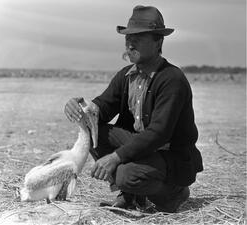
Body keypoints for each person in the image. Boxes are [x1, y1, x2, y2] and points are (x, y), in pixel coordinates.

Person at [65, 5, 203, 213]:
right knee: (91, 128)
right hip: (139, 148)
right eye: (128, 37)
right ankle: (130, 198)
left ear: (158, 41)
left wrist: (115, 157)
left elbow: (159, 133)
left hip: (169, 156)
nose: (130, 43)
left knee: (125, 175)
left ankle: (174, 193)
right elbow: (103, 106)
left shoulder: (171, 79)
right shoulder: (126, 75)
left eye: (138, 37)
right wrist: (82, 109)